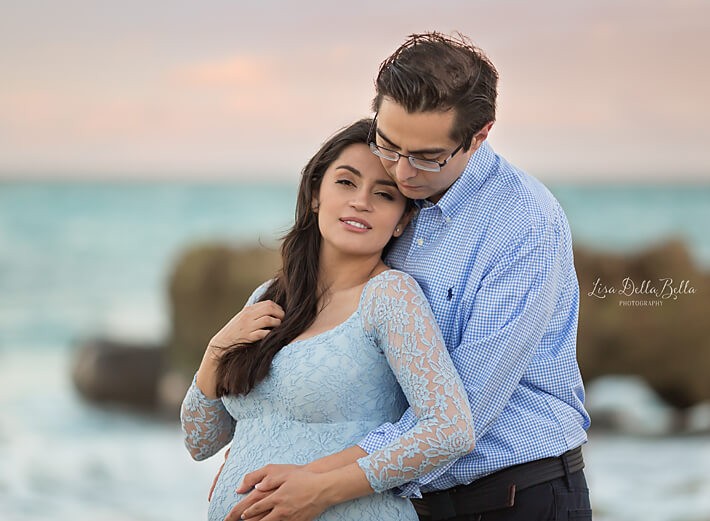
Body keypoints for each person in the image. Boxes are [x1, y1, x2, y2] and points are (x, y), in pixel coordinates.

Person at [226, 32, 592, 521]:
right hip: (406, 501)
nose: (401, 171)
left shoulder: (523, 225)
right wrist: (263, 448)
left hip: (514, 495)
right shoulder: (392, 203)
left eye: (426, 156)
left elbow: (461, 415)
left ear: (479, 135)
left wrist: (312, 476)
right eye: (388, 144)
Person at [180, 118, 476, 521]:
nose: (361, 201)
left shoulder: (390, 296)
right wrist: (216, 353)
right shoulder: (270, 298)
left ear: (402, 220)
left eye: (384, 195)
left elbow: (450, 430)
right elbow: (201, 441)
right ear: (316, 193)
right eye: (346, 182)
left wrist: (318, 489)